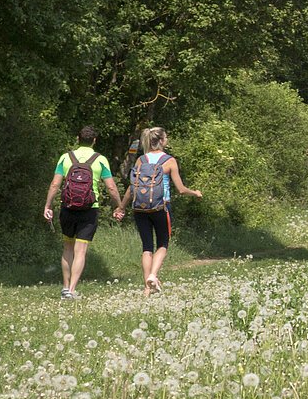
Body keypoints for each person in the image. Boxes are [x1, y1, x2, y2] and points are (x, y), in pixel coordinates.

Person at [42, 126, 123, 299]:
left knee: (67, 248)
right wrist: (119, 206)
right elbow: (111, 187)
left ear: (78, 139)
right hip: (89, 209)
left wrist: (48, 206)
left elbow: (55, 184)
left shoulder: (65, 157)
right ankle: (72, 290)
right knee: (80, 250)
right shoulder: (100, 159)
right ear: (94, 141)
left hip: (67, 207)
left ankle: (65, 288)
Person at [126, 126, 200, 294]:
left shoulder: (141, 160)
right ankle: (153, 275)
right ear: (161, 141)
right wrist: (195, 193)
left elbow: (132, 188)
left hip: (140, 209)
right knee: (163, 244)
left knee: (147, 247)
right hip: (161, 207)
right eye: (166, 137)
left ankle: (147, 289)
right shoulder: (169, 161)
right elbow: (181, 189)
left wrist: (122, 206)